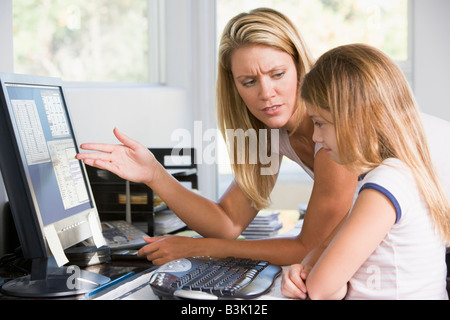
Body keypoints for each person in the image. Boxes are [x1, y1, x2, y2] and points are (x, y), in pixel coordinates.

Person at [75, 8, 357, 266]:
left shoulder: (336, 127)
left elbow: (306, 248)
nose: (266, 92)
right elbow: (228, 223)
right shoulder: (269, 133)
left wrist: (200, 248)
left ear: (300, 68)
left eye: (278, 74)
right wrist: (154, 173)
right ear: (234, 85)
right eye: (249, 81)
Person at [281, 43, 450, 300]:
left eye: (320, 123)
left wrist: (315, 276)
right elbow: (323, 255)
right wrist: (308, 270)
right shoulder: (394, 173)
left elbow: (320, 289)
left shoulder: (386, 184)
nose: (316, 136)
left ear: (358, 118)